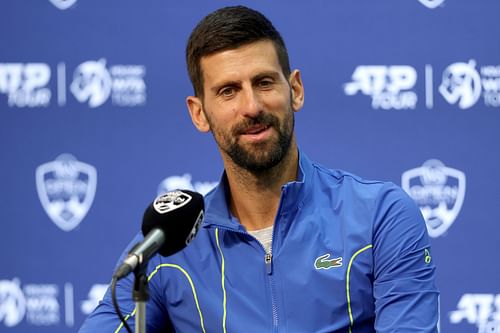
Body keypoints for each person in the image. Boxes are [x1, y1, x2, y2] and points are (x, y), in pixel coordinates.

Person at [80, 5, 439, 333]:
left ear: (295, 90)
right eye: (228, 91)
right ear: (199, 113)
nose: (251, 106)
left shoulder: (380, 216)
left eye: (264, 82)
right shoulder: (166, 245)